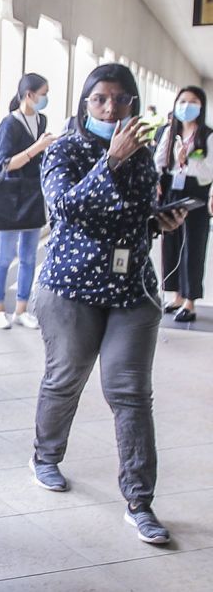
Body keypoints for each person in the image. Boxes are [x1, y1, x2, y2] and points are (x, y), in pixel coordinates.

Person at [30, 63, 185, 545]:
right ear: (84, 103)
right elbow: (65, 209)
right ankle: (46, 456)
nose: (111, 108)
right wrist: (110, 161)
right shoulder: (64, 150)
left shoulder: (142, 154)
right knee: (66, 377)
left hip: (130, 289)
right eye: (100, 99)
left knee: (131, 392)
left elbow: (132, 215)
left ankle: (140, 500)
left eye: (121, 100)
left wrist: (161, 221)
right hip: (72, 287)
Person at [0, 73, 56, 330]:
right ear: (29, 95)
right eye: (43, 93)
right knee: (5, 255)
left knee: (29, 256)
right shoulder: (9, 124)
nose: (45, 99)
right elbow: (5, 164)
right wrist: (36, 148)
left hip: (34, 195)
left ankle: (21, 309)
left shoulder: (42, 120)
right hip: (11, 197)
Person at [154, 86, 213, 322]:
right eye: (182, 101)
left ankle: (190, 300)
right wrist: (157, 178)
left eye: (192, 101)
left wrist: (188, 158)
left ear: (201, 106)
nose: (186, 106)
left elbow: (209, 169)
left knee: (193, 244)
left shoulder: (206, 136)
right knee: (171, 241)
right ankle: (176, 295)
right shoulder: (170, 131)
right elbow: (158, 160)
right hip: (171, 189)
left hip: (196, 190)